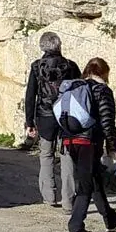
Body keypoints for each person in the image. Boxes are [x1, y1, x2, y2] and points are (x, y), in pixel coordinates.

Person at [57, 57, 116, 232]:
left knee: (94, 180)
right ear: (104, 72)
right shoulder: (102, 90)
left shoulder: (74, 87)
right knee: (86, 185)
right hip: (89, 142)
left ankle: (111, 219)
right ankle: (76, 228)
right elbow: (107, 121)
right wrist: (114, 146)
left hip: (70, 140)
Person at [23, 32, 81, 209]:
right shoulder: (70, 66)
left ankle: (49, 196)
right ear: (59, 45)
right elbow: (79, 92)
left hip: (44, 116)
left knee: (46, 155)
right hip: (66, 117)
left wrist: (29, 122)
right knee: (67, 155)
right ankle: (68, 201)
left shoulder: (36, 67)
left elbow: (30, 95)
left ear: (42, 47)